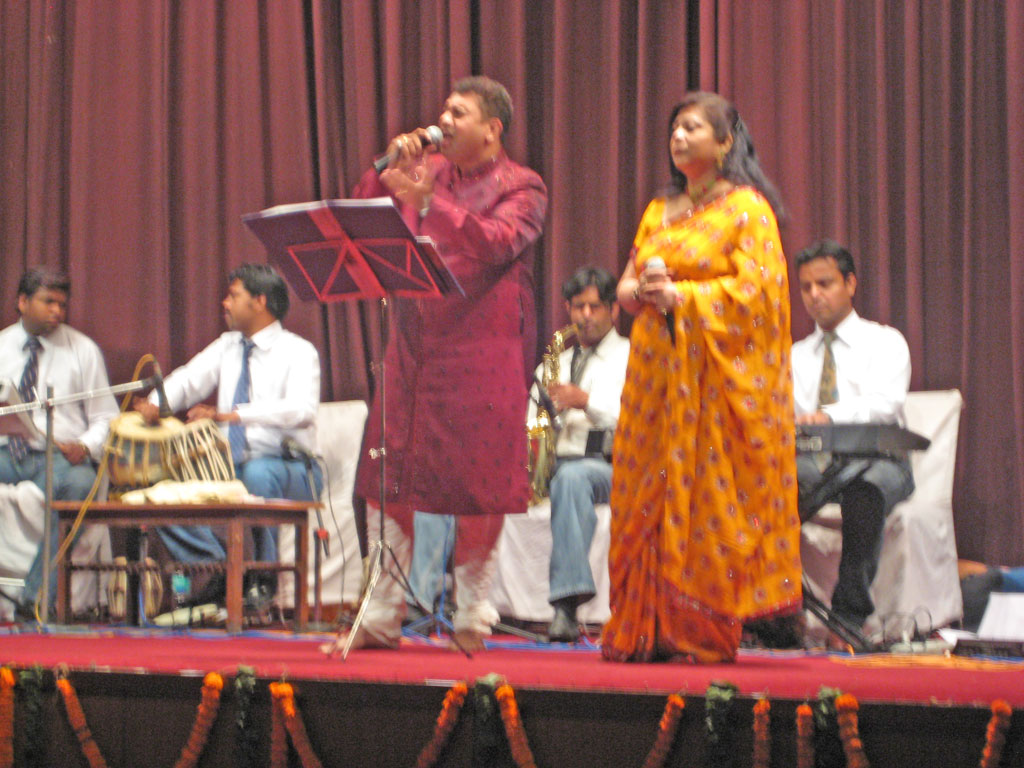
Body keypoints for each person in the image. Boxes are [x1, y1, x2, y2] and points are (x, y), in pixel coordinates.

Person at [325, 75, 547, 653]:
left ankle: (473, 615)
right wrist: (386, 170)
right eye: (443, 108)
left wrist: (431, 203)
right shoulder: (431, 169)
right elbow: (365, 215)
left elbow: (498, 242)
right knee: (388, 473)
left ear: (492, 130)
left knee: (478, 487)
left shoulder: (524, 186)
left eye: (459, 112)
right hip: (415, 345)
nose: (443, 119)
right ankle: (381, 612)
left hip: (483, 351)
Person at [604, 92, 801, 663]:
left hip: (711, 388)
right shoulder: (656, 211)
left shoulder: (747, 209)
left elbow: (759, 298)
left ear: (725, 142)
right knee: (643, 495)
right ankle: (642, 629)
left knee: (704, 506)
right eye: (675, 128)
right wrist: (641, 294)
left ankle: (698, 633)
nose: (679, 137)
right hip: (653, 380)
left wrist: (682, 298)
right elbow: (624, 286)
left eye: (692, 127)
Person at [135, 263, 322, 608]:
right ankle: (219, 570)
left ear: (260, 301)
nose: (224, 302)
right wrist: (154, 403)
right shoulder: (228, 345)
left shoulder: (299, 351)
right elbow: (188, 380)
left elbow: (303, 410)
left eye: (234, 295)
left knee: (257, 473)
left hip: (294, 469)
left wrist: (234, 416)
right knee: (164, 491)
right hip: (228, 469)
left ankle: (259, 580)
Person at [792, 239, 914, 637]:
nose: (814, 295)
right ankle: (778, 613)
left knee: (865, 492)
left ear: (850, 283)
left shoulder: (885, 341)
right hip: (816, 461)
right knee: (767, 490)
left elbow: (885, 404)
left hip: (881, 459)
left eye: (824, 283)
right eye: (806, 287)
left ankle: (847, 618)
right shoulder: (794, 355)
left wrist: (828, 416)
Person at [0, 267, 119, 618]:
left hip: (58, 457)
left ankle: (36, 600)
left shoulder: (83, 350)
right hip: (6, 451)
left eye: (62, 304)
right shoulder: (2, 344)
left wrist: (84, 445)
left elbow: (105, 418)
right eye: (48, 302)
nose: (56, 311)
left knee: (80, 484)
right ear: (22, 302)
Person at [532, 266, 629, 642]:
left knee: (572, 479)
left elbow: (637, 419)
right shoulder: (551, 364)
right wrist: (544, 419)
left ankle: (567, 605)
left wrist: (584, 401)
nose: (585, 316)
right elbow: (531, 424)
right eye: (577, 308)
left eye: (594, 307)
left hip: (612, 467)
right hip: (558, 466)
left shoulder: (632, 357)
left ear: (613, 310)